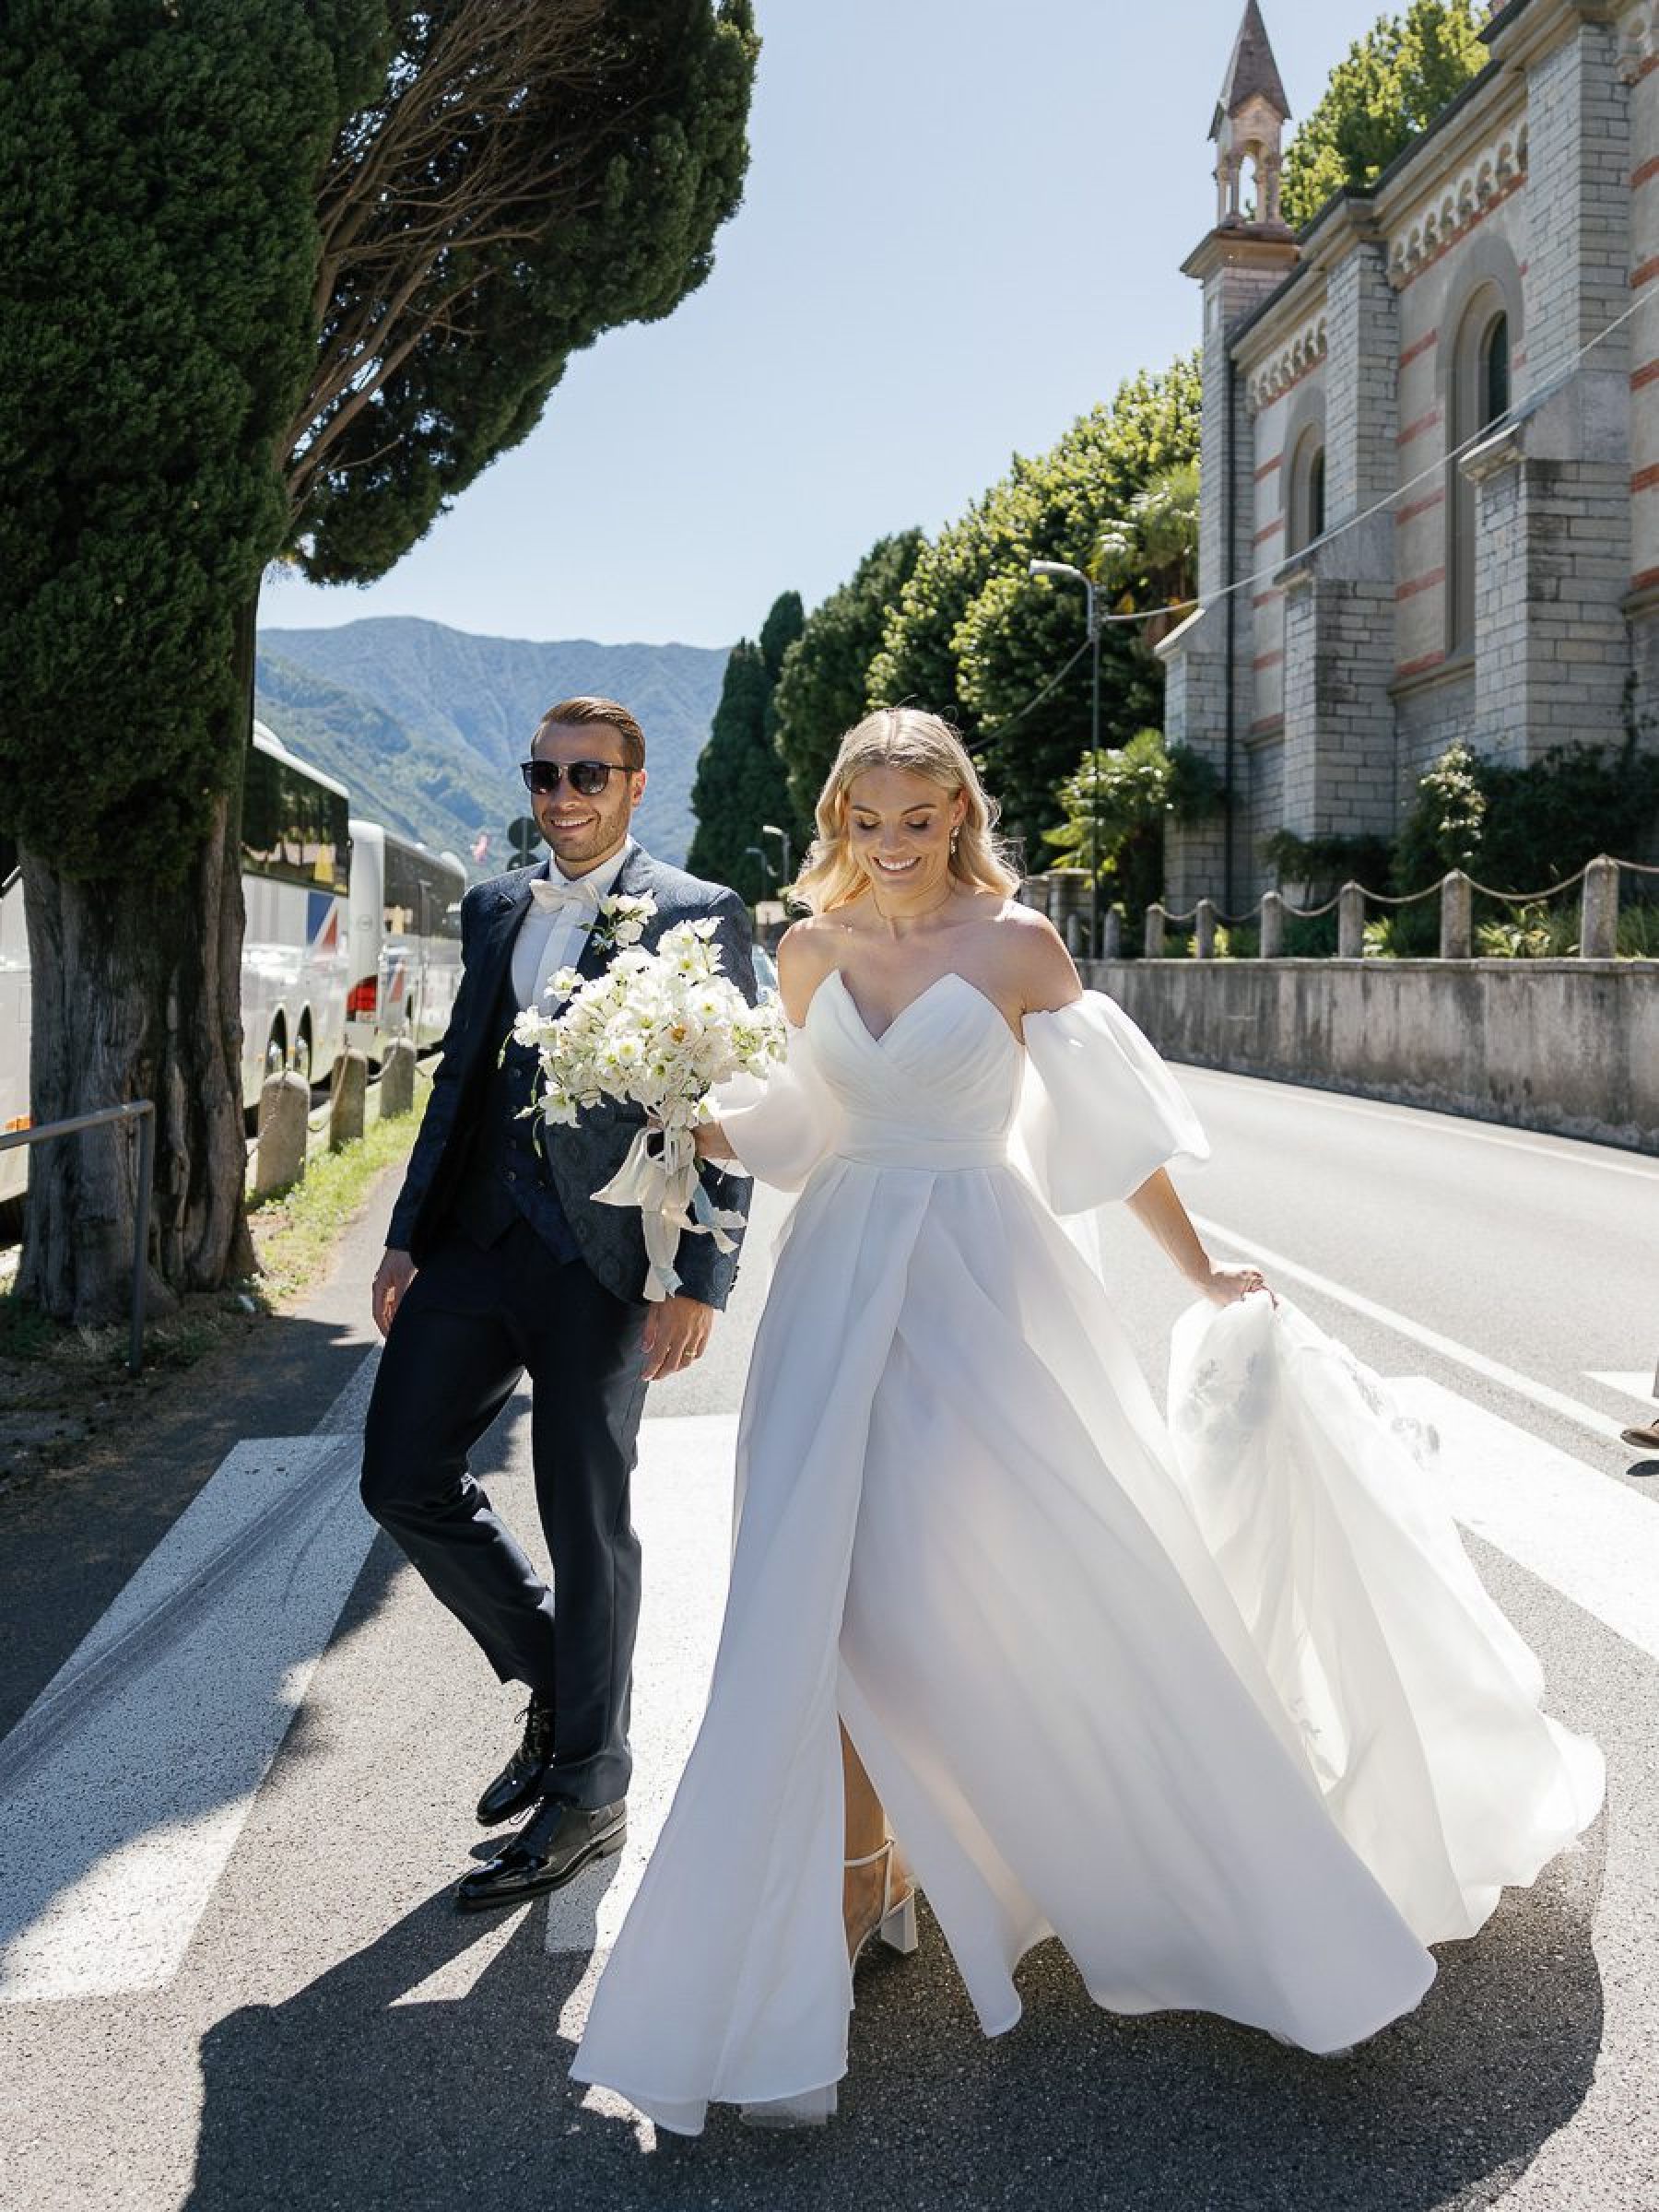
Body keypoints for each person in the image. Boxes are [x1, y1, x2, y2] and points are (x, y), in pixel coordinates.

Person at [570, 706, 1604, 2135]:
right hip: (834, 1293)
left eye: (916, 824)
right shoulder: (803, 949)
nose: (890, 849)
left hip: (982, 1289)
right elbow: (802, 1137)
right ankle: (865, 1872)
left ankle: (1099, 1854)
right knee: (820, 1588)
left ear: (958, 817)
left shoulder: (1016, 948)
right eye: (866, 824)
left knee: (993, 1574)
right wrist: (690, 1107)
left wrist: (1198, 1267)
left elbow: (1112, 1137)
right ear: (838, 821)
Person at [359, 696, 755, 1912]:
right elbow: (458, 1088)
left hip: (607, 1263)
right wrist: (406, 1235)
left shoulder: (700, 914)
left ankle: (592, 1787)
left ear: (636, 784)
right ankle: (558, 1685)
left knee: (589, 1524)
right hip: (473, 1249)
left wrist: (700, 1278)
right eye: (544, 774)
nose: (563, 795)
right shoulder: (495, 908)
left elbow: (729, 1107)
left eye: (588, 774)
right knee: (399, 1475)